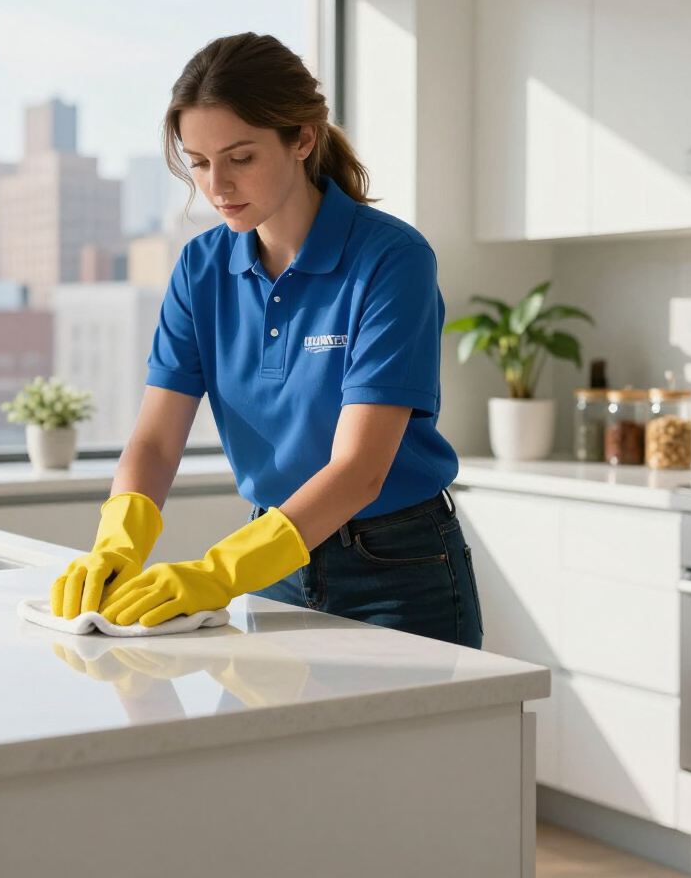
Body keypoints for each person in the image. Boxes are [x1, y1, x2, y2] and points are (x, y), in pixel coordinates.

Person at [49, 32, 482, 648]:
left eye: (241, 157)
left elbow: (359, 470)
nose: (217, 185)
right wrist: (117, 542)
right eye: (198, 163)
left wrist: (218, 571)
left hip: (397, 573)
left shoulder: (392, 259)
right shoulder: (201, 268)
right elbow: (154, 440)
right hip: (272, 566)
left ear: (303, 138)